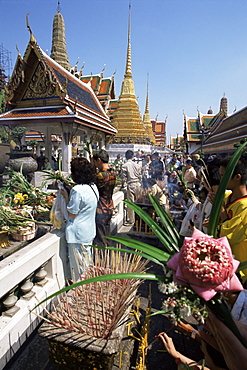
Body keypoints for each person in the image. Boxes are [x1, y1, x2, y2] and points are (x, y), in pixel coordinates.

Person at [60, 157, 99, 281]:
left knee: (77, 267)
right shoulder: (93, 187)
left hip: (77, 234)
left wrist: (66, 196)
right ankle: (87, 286)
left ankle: (79, 289)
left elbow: (72, 214)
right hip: (88, 230)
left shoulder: (77, 190)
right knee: (86, 263)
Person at [217, 156, 247, 283]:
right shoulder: (226, 196)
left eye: (224, 176)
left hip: (240, 267)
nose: (221, 180)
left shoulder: (245, 206)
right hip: (223, 261)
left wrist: (222, 213)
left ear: (237, 177)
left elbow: (230, 236)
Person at [92, 149, 116, 247]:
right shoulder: (113, 173)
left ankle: (102, 260)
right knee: (107, 235)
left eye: (94, 161)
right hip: (109, 206)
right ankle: (108, 256)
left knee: (100, 239)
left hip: (101, 208)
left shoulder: (100, 175)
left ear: (99, 160)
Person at [122, 150, 142, 225]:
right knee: (138, 203)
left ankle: (131, 220)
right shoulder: (137, 165)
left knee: (131, 204)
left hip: (131, 185)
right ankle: (138, 219)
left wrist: (122, 185)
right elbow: (140, 176)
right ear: (132, 156)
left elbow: (124, 178)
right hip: (138, 184)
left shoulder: (125, 165)